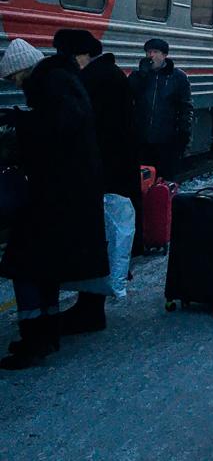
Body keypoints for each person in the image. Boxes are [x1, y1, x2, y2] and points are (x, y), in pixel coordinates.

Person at [0, 39, 109, 370]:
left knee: (25, 264)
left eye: (15, 78)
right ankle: (43, 336)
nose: (16, 86)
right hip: (63, 192)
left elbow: (60, 126)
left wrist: (21, 122)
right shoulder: (57, 79)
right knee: (41, 264)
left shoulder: (53, 82)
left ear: (26, 68)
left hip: (60, 193)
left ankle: (36, 341)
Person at [52, 28, 140, 334]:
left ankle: (90, 310)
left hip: (103, 174)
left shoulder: (95, 81)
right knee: (102, 238)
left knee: (99, 238)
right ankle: (89, 306)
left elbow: (91, 131)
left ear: (79, 55)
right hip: (114, 172)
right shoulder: (111, 75)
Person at [129, 37, 193, 181]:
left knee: (164, 179)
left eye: (155, 52)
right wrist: (141, 77)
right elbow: (128, 99)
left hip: (166, 140)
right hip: (142, 139)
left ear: (164, 55)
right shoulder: (138, 76)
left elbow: (185, 107)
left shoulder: (178, 77)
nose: (150, 55)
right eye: (148, 52)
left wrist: (184, 135)